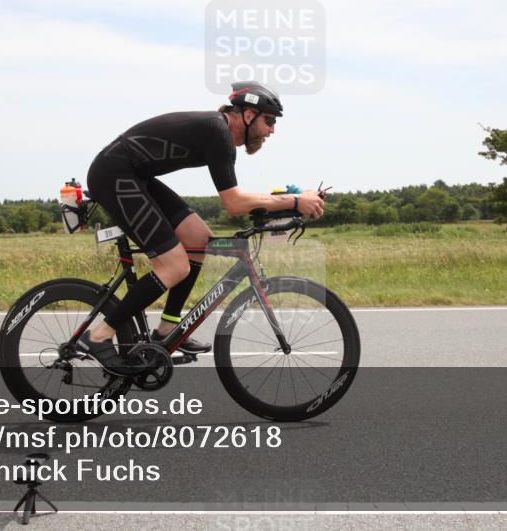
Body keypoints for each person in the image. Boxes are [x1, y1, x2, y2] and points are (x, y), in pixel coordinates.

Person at [78, 81, 325, 374]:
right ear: (247, 115)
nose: (272, 130)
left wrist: (288, 203)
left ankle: (166, 330)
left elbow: (238, 201)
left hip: (134, 176)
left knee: (198, 241)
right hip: (114, 175)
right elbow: (234, 204)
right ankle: (99, 335)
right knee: (174, 266)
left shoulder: (218, 134)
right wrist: (296, 201)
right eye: (269, 120)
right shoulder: (218, 132)